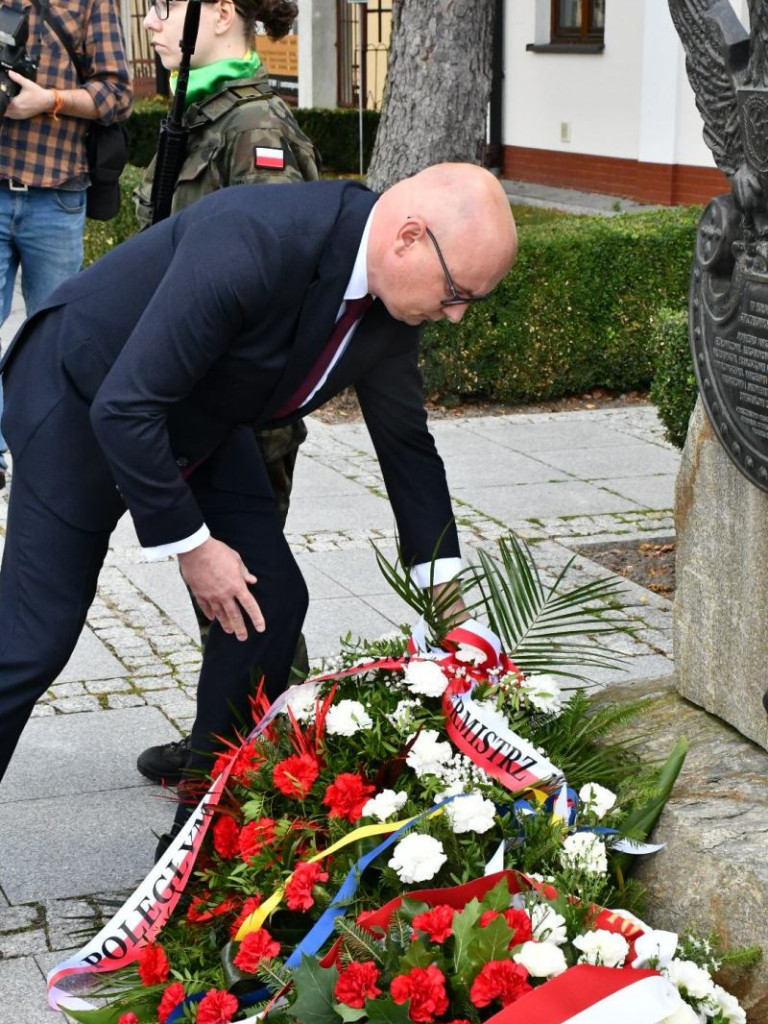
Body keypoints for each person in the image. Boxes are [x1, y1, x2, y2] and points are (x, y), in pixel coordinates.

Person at [0, 162, 517, 848]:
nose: (454, 315)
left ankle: (198, 839)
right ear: (409, 238)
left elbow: (409, 453)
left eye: (470, 302)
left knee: (270, 602)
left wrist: (452, 613)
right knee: (33, 641)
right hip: (84, 392)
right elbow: (127, 408)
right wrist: (192, 546)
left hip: (203, 411)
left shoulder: (391, 308)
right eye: (456, 292)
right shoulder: (253, 238)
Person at [133, 0, 320, 785]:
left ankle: (271, 749)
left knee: (249, 584)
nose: (148, 24)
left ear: (217, 12)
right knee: (224, 582)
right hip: (194, 404)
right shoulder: (202, 113)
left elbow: (277, 279)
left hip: (241, 414)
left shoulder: (254, 130)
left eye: (162, 7)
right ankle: (236, 731)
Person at [0, 0, 132, 490]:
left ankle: (48, 452)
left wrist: (49, 99)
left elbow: (117, 93)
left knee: (55, 338)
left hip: (55, 195)